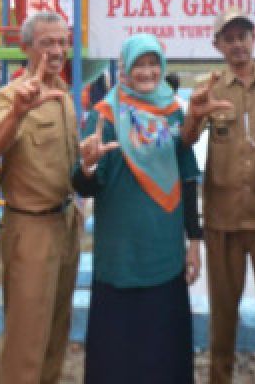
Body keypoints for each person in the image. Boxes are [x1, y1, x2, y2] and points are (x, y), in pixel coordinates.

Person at [72, 33, 204, 384]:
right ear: (125, 69)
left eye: (152, 64)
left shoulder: (175, 112)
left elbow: (188, 178)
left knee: (163, 346)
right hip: (121, 252)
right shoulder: (105, 114)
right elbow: (84, 183)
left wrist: (194, 241)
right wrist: (87, 167)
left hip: (164, 251)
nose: (146, 72)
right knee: (118, 351)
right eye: (138, 64)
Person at [178, 8, 255, 384]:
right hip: (223, 221)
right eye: (228, 38)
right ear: (218, 45)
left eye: (242, 36)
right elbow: (185, 145)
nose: (237, 44)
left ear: (254, 37)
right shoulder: (208, 88)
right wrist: (195, 117)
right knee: (223, 320)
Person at [0, 12, 81, 384]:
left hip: (67, 223)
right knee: (26, 340)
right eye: (46, 43)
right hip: (31, 228)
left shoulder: (64, 94)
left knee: (57, 330)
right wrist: (18, 114)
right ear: (26, 48)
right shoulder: (11, 96)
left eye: (61, 41)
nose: (56, 50)